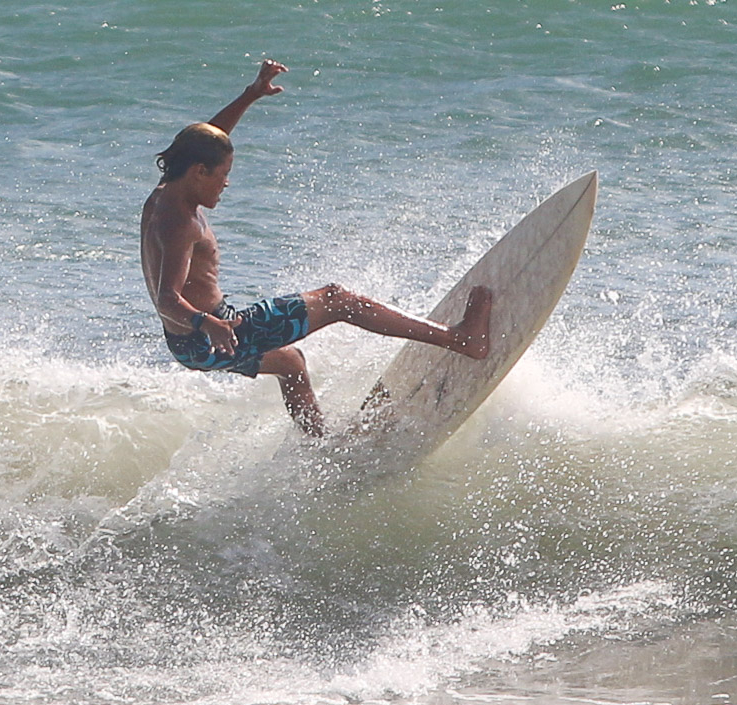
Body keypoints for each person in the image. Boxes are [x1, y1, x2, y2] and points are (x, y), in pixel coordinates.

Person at [140, 60, 491, 437]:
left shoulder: (166, 191)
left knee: (290, 362)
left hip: (188, 345)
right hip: (211, 333)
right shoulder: (182, 222)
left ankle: (318, 446)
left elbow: (207, 139)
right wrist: (210, 323)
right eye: (223, 175)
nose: (226, 184)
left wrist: (250, 95)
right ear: (199, 172)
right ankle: (462, 340)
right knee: (339, 300)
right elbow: (166, 298)